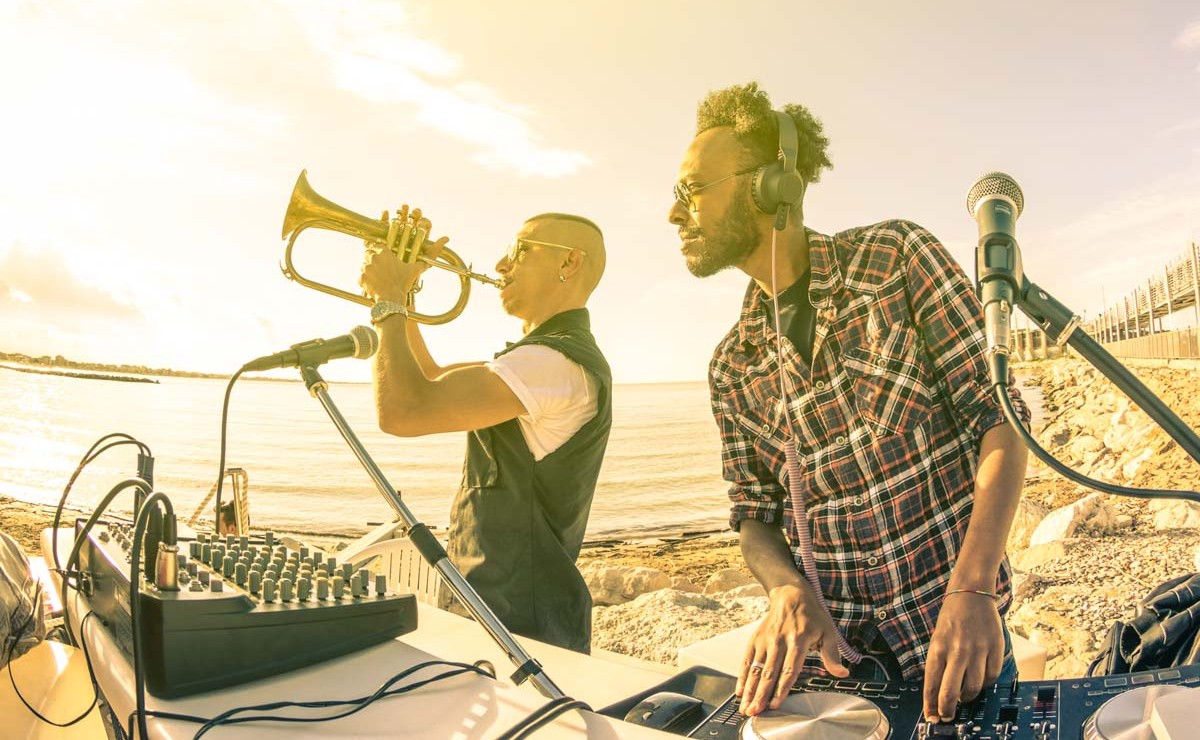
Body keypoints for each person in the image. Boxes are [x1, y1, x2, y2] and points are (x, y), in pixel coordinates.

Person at [667, 82, 1030, 722]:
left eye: (690, 190)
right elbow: (754, 516)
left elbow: (999, 420)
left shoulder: (895, 259)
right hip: (833, 678)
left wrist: (973, 588)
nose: (675, 213)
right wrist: (785, 590)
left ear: (771, 185)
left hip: (957, 649)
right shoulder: (732, 365)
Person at [358, 207, 610, 654]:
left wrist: (389, 296)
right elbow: (428, 376)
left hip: (522, 628)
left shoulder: (552, 364)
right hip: (497, 609)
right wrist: (405, 291)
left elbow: (402, 410)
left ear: (568, 263)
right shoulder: (538, 361)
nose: (500, 265)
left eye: (520, 250)